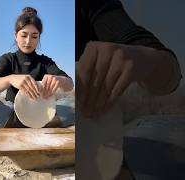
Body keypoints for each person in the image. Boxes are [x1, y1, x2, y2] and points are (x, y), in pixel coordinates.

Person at [78, 0, 184, 179]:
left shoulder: (90, 7)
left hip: (104, 144)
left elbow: (171, 73)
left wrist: (147, 58)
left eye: (33, 36)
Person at [0, 7, 75, 128]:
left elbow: (70, 85)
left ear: (39, 37)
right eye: (24, 35)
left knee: (76, 104)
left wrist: (61, 80)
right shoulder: (8, 59)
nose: (28, 41)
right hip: (13, 110)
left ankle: (28, 123)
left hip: (43, 110)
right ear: (15, 35)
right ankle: (36, 123)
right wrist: (10, 79)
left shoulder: (45, 62)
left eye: (34, 36)